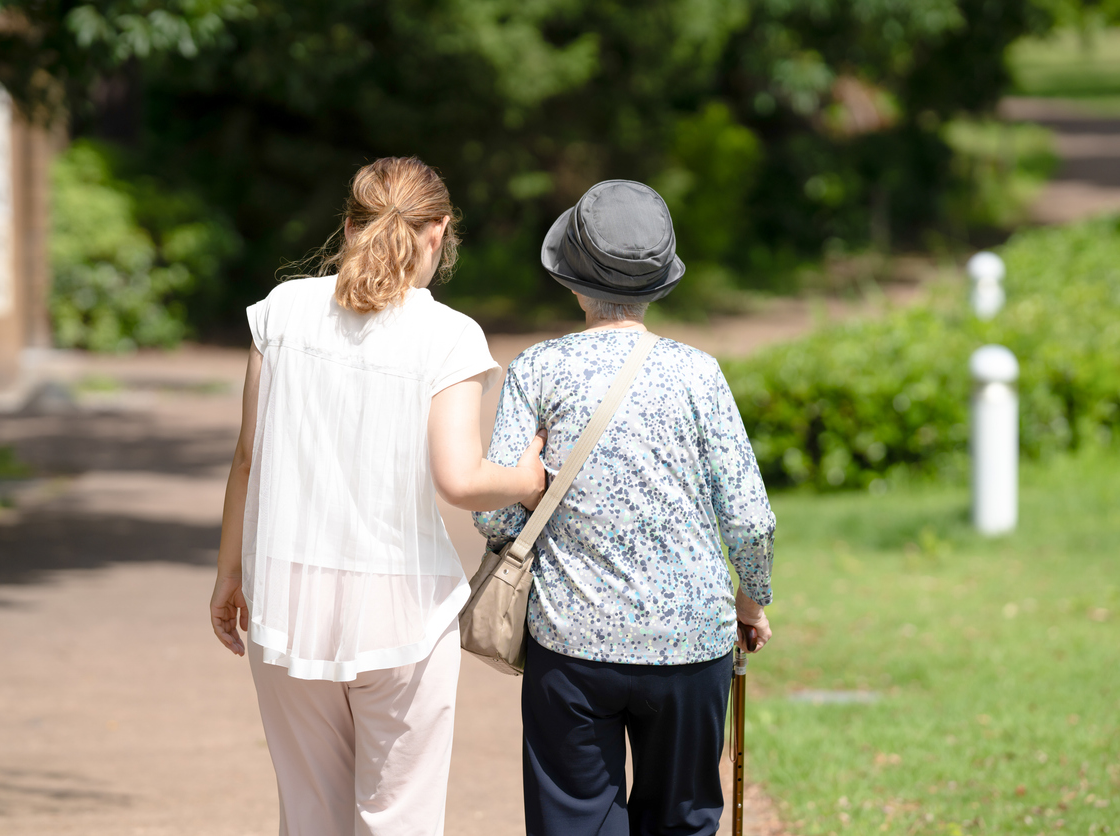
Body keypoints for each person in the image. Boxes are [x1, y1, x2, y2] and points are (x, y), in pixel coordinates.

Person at [209, 156, 546, 836]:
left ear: (349, 223)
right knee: (399, 820)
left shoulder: (282, 312)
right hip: (404, 611)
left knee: (309, 816)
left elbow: (249, 457)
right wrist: (529, 476)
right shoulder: (449, 335)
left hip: (286, 599)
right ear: (439, 232)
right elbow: (461, 479)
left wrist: (229, 576)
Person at [473, 180, 777, 836]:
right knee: (681, 822)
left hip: (572, 644)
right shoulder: (700, 374)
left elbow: (493, 513)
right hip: (692, 647)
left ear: (572, 278)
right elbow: (750, 519)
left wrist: (537, 497)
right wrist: (749, 604)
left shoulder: (537, 369)